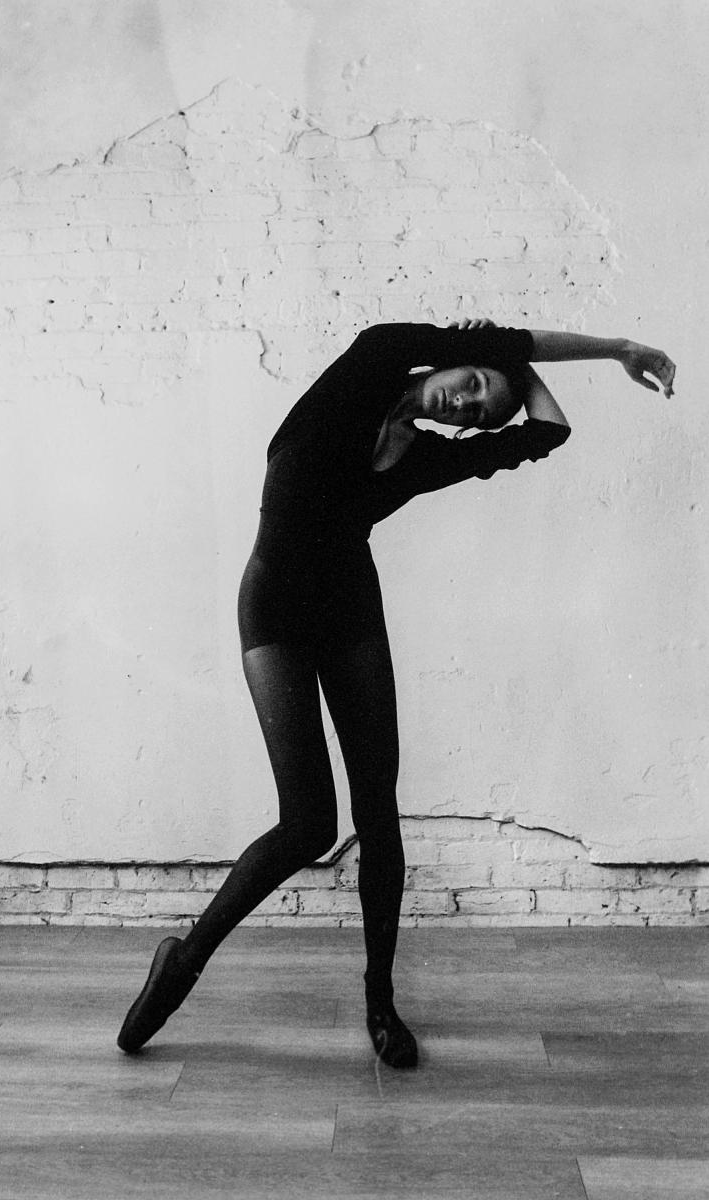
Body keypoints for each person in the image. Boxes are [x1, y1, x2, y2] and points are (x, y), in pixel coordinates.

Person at [117, 318, 676, 1066]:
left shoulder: (425, 459)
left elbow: (549, 431)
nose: (465, 403)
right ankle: (182, 961)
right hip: (275, 608)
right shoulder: (373, 361)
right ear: (456, 359)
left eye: (479, 412)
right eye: (472, 383)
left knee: (377, 811)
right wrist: (615, 347)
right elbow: (509, 349)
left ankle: (380, 1002)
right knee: (307, 824)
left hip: (349, 613)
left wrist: (510, 378)